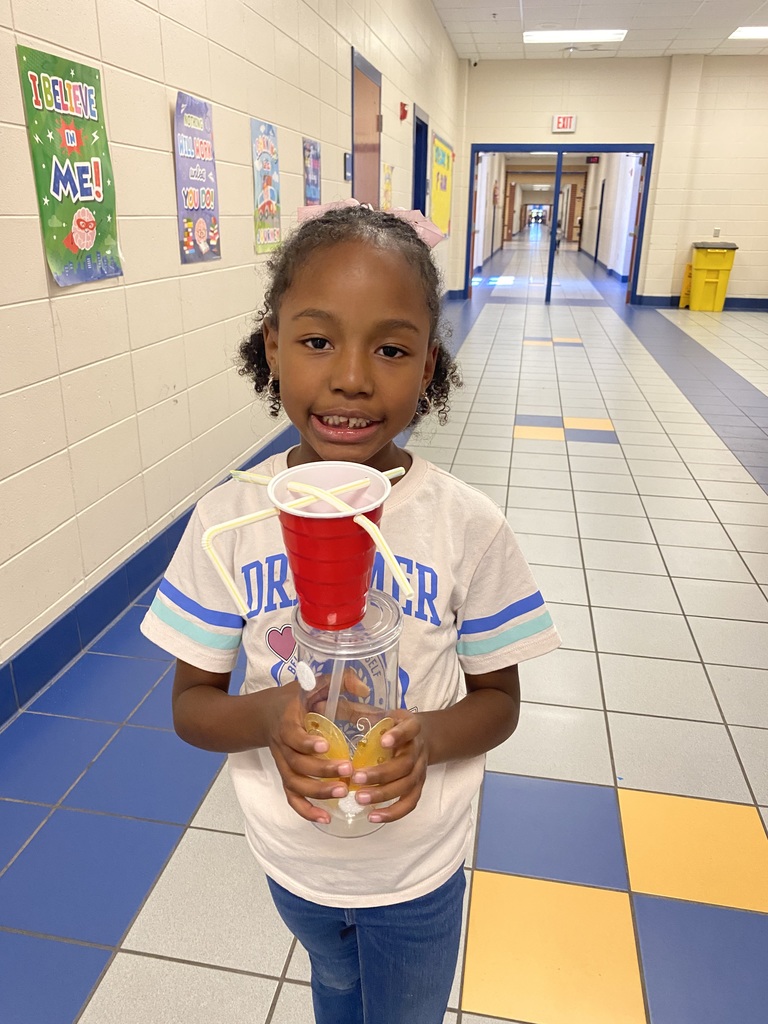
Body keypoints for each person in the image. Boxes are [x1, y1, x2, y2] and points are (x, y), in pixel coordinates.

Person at [140, 202, 560, 1024]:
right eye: (318, 340)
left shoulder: (467, 526)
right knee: (335, 986)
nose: (353, 378)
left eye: (392, 349)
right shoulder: (228, 523)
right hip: (292, 863)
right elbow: (191, 708)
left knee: (400, 1012)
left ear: (430, 364)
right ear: (273, 345)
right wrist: (265, 718)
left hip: (414, 872)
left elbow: (500, 703)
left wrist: (429, 739)